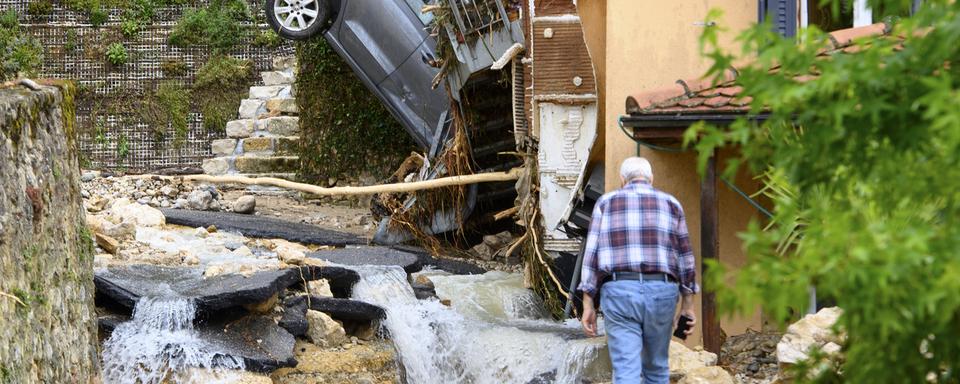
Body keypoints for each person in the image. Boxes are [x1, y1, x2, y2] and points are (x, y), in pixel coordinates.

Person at [578, 156, 699, 384]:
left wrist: (588, 304)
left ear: (623, 180)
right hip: (662, 292)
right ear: (651, 179)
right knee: (656, 368)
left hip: (620, 291)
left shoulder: (606, 202)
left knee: (626, 370)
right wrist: (688, 306)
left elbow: (591, 256)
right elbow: (685, 257)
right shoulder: (672, 204)